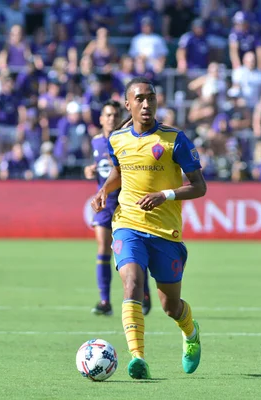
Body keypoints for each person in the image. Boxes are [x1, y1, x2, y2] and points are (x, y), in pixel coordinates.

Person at [91, 77, 207, 380]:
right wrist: (104, 189)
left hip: (166, 232)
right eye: (140, 99)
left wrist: (165, 195)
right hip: (127, 222)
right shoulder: (116, 139)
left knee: (171, 306)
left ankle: (191, 332)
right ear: (128, 104)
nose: (146, 104)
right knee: (132, 282)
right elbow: (119, 169)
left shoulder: (175, 139)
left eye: (151, 98)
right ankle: (137, 357)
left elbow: (199, 186)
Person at [84, 100, 152, 317]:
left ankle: (145, 293)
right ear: (101, 119)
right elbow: (97, 169)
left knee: (135, 249)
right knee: (103, 247)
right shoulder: (96, 142)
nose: (112, 118)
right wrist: (90, 171)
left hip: (126, 200)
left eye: (115, 115)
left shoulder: (127, 139)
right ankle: (105, 301)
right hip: (105, 203)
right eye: (108, 115)